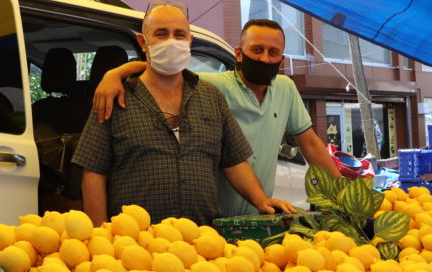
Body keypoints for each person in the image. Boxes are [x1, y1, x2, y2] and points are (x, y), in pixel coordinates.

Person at [72, 4, 296, 226]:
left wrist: (261, 200)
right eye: (161, 34)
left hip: (200, 242)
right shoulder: (114, 97)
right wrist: (100, 234)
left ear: (189, 41)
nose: (172, 41)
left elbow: (234, 161)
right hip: (134, 242)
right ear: (143, 42)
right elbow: (93, 172)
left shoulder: (210, 96)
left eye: (179, 34)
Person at [93, 17, 341, 217]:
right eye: (256, 50)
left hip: (257, 212)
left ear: (282, 60)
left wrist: (342, 193)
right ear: (239, 54)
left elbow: (310, 144)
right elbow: (166, 70)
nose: (265, 58)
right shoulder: (211, 87)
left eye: (273, 52)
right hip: (212, 218)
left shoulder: (286, 88)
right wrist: (116, 74)